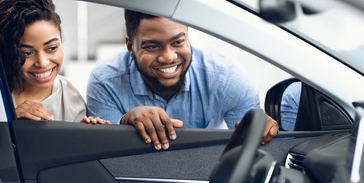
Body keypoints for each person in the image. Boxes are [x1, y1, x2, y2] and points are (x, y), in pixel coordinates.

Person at [87, 10, 278, 150]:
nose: (168, 57)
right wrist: (125, 123)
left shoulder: (226, 78)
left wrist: (263, 131)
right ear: (130, 46)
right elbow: (106, 160)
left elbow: (252, 151)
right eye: (152, 46)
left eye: (178, 42)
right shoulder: (105, 82)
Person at [0, 0, 109, 124]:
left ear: (62, 42)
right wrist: (11, 120)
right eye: (27, 53)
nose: (43, 63)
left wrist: (82, 134)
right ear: (8, 52)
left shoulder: (71, 101)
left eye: (52, 48)